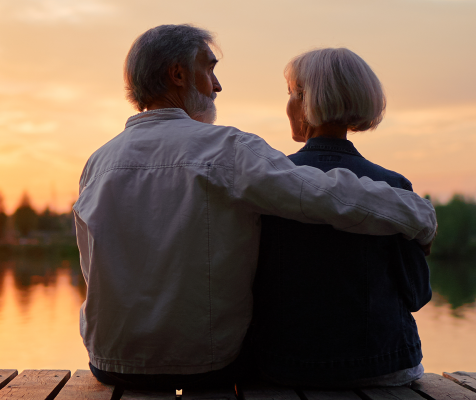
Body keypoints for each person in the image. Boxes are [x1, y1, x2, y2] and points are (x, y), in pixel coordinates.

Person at [74, 25, 436, 390]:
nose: (217, 86)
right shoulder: (225, 149)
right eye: (209, 69)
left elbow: (92, 270)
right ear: (178, 74)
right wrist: (418, 215)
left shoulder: (97, 163)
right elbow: (324, 194)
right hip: (205, 365)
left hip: (108, 363)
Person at [251, 48, 432, 388]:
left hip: (283, 367)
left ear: (305, 101)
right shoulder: (392, 186)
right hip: (382, 366)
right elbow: (417, 294)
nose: (288, 104)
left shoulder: (267, 182)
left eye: (291, 93)